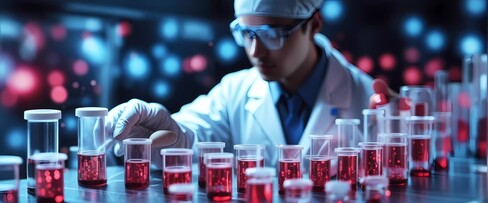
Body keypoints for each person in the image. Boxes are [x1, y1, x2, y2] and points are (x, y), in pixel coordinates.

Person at [105, 0, 396, 168]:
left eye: (272, 35)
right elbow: (192, 136)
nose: (256, 52)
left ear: (314, 24)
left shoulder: (371, 102)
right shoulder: (235, 91)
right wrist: (170, 135)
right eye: (247, 33)